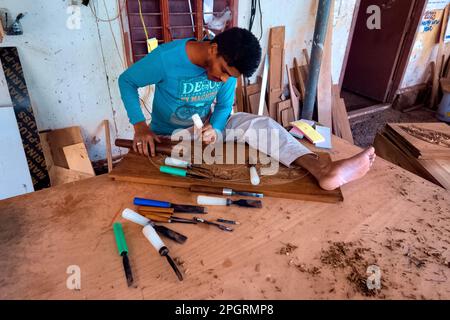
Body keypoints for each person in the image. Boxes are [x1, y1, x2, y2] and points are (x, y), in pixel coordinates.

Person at [118, 27, 376, 191]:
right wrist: (140, 127)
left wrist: (216, 129)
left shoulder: (228, 75)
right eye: (223, 71)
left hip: (205, 128)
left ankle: (321, 169)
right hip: (168, 135)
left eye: (229, 76)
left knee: (260, 125)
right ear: (214, 48)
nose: (222, 80)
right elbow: (126, 81)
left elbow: (224, 107)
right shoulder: (167, 58)